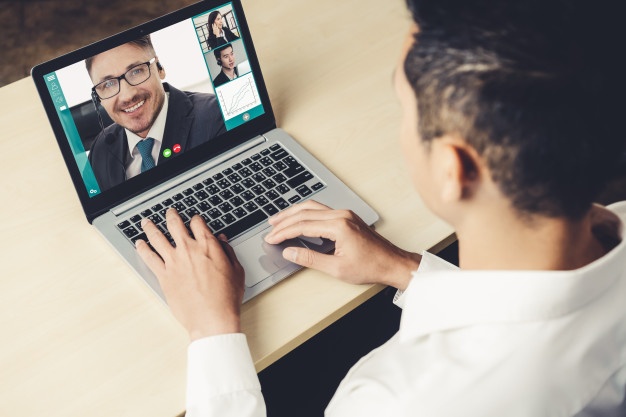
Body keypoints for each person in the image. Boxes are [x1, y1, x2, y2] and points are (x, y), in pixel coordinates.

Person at [136, 0, 626, 415]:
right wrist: (405, 269)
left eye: (404, 106)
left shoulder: (394, 401)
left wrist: (211, 328)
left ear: (455, 169)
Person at [86, 35, 226, 191]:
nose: (127, 95)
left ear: (160, 68)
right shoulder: (100, 150)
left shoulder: (217, 117)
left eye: (136, 71)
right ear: (97, 97)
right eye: (108, 84)